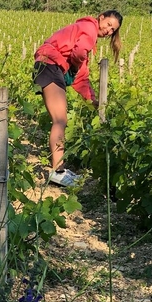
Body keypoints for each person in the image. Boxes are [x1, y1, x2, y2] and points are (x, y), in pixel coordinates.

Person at [33, 10, 122, 187]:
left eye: (113, 30)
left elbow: (81, 78)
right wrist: (75, 62)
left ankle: (60, 170)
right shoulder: (89, 28)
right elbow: (79, 53)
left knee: (61, 120)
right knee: (60, 120)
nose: (109, 31)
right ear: (101, 17)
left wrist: (92, 100)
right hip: (49, 64)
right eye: (109, 25)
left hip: (50, 65)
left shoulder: (84, 33)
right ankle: (57, 172)